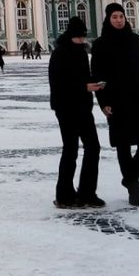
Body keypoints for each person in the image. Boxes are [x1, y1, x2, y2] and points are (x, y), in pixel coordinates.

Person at [91, 3, 139, 206]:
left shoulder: (135, 40)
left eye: (121, 16)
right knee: (123, 145)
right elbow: (97, 76)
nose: (119, 20)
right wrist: (103, 101)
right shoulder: (100, 44)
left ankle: (130, 178)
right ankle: (134, 188)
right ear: (108, 19)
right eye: (115, 17)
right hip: (117, 101)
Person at [48, 15, 104, 209]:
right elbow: (58, 84)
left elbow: (84, 77)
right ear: (71, 36)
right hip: (65, 108)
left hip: (82, 107)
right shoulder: (60, 53)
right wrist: (84, 87)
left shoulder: (80, 52)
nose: (82, 40)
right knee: (70, 150)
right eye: (79, 37)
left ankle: (87, 192)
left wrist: (95, 83)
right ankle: (64, 195)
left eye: (83, 37)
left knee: (93, 147)